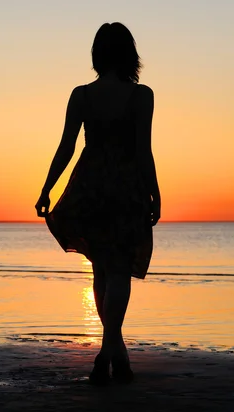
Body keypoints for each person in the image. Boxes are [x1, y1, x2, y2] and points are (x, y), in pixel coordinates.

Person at [35, 22, 160, 385]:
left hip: (90, 186)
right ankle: (109, 354)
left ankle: (112, 357)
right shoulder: (141, 96)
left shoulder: (82, 95)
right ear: (129, 54)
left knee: (102, 271)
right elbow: (142, 151)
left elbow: (66, 148)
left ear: (97, 54)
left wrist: (47, 188)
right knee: (117, 271)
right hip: (125, 187)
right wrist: (155, 192)